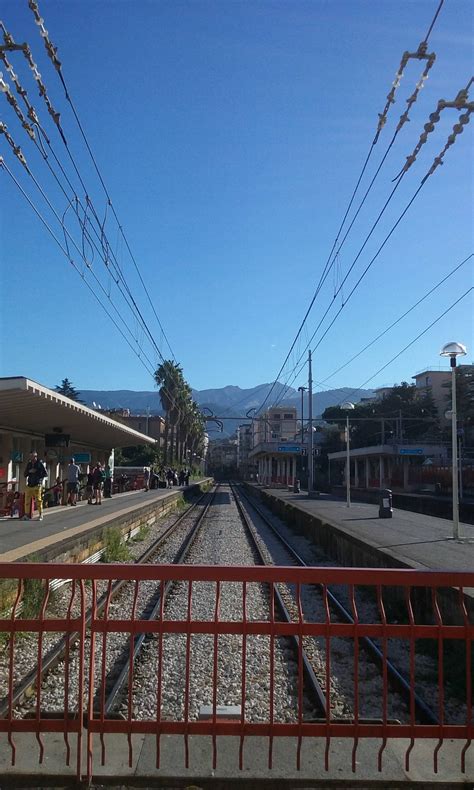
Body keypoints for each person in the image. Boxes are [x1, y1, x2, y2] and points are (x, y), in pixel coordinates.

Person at [23, 451, 48, 521]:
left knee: (38, 500)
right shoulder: (29, 464)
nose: (31, 458)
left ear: (36, 456)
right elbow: (25, 474)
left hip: (37, 484)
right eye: (30, 456)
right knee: (27, 500)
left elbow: (46, 474)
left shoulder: (40, 464)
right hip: (30, 484)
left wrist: (37, 473)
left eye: (33, 456)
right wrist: (29, 472)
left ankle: (41, 515)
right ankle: (26, 515)